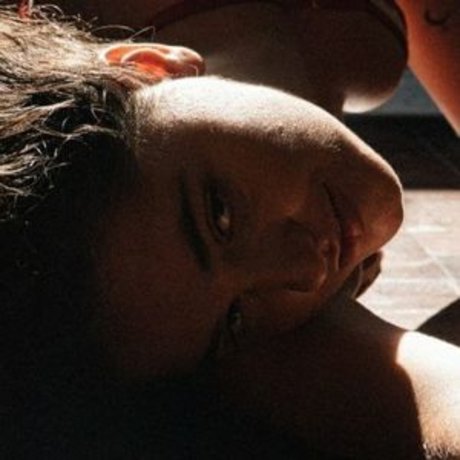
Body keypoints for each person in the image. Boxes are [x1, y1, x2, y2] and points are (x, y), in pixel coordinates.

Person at [2, 3, 460, 459]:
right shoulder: (224, 336)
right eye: (235, 319)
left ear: (147, 67)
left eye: (221, 215)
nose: (305, 271)